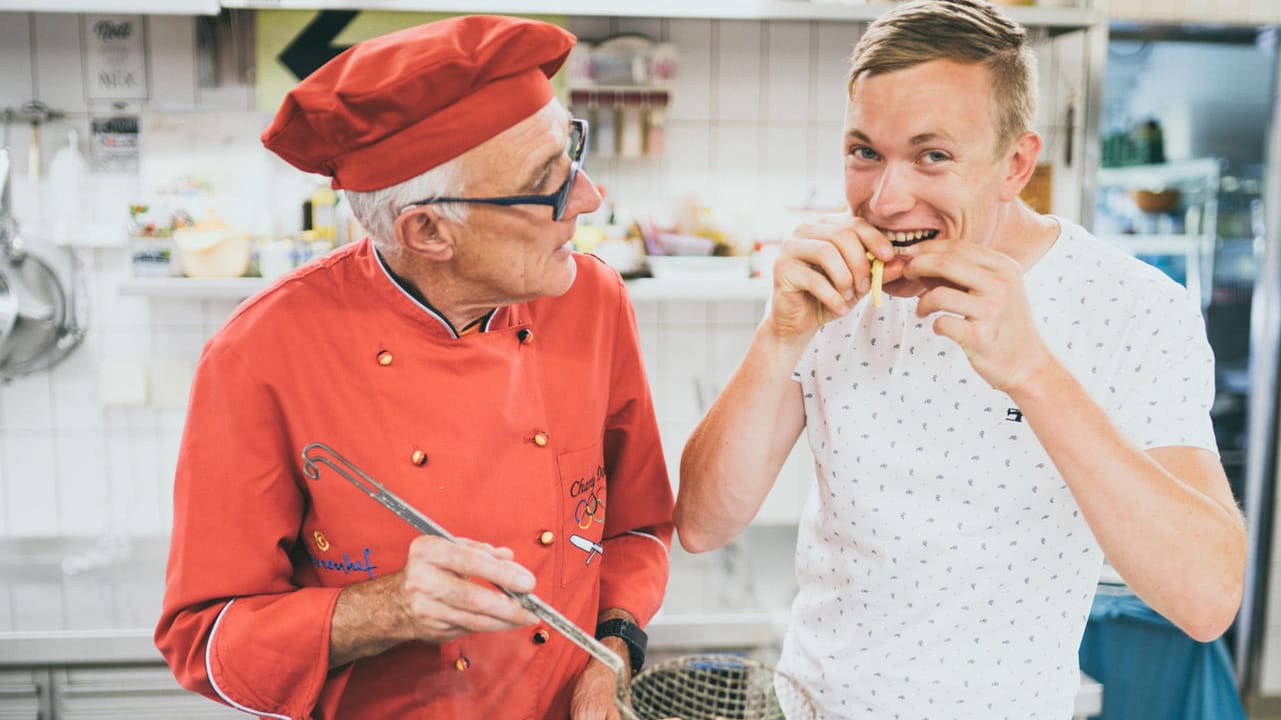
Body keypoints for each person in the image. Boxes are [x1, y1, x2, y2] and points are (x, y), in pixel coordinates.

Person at [675, 0, 1246, 717]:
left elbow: (1206, 598)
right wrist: (778, 335)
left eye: (932, 156)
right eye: (864, 152)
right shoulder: (830, 292)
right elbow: (701, 525)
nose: (885, 199)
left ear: (1015, 163)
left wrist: (1031, 372)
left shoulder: (1132, 308)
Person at [154, 15, 674, 720]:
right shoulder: (261, 355)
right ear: (427, 231)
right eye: (546, 184)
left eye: (571, 156)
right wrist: (382, 611)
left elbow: (633, 529)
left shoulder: (593, 300)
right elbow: (202, 639)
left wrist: (609, 656)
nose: (588, 198)